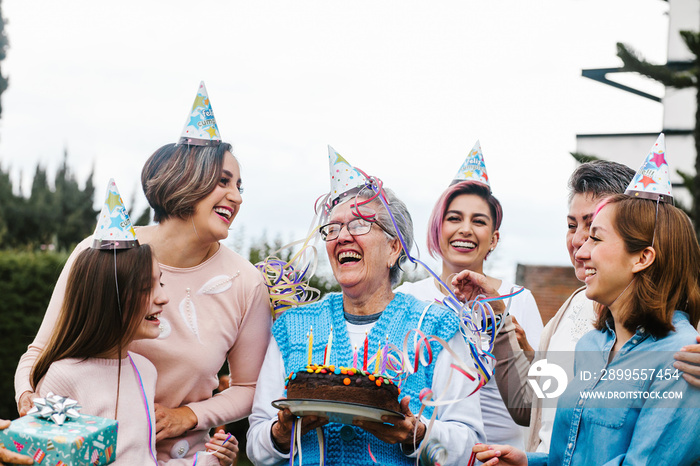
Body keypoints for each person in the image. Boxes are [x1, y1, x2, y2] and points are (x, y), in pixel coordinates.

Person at [14, 82, 271, 464]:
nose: (237, 196)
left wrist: (189, 415)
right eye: (223, 181)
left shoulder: (246, 282)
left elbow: (249, 386)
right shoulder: (102, 253)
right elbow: (43, 351)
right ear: (186, 179)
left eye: (238, 185)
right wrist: (32, 404)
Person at [247, 150, 485, 465]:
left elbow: (470, 444)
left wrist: (416, 433)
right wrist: (280, 432)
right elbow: (256, 444)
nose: (342, 237)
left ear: (393, 247)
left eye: (358, 225)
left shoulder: (435, 327)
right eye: (332, 229)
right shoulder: (293, 327)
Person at [473, 138, 700, 465]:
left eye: (595, 234)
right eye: (572, 226)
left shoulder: (683, 356)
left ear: (642, 256)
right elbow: (540, 412)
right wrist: (530, 461)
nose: (579, 247)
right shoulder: (588, 342)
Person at [396, 141, 543, 449]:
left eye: (479, 221)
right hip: (428, 452)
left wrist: (523, 349)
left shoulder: (518, 298)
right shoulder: (407, 298)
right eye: (454, 218)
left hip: (501, 456)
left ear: (494, 239)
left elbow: (546, 394)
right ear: (437, 229)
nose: (465, 229)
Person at [489, 160, 635, 453]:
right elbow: (531, 408)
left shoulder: (673, 322)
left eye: (594, 227)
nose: (579, 239)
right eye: (572, 225)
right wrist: (497, 317)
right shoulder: (567, 311)